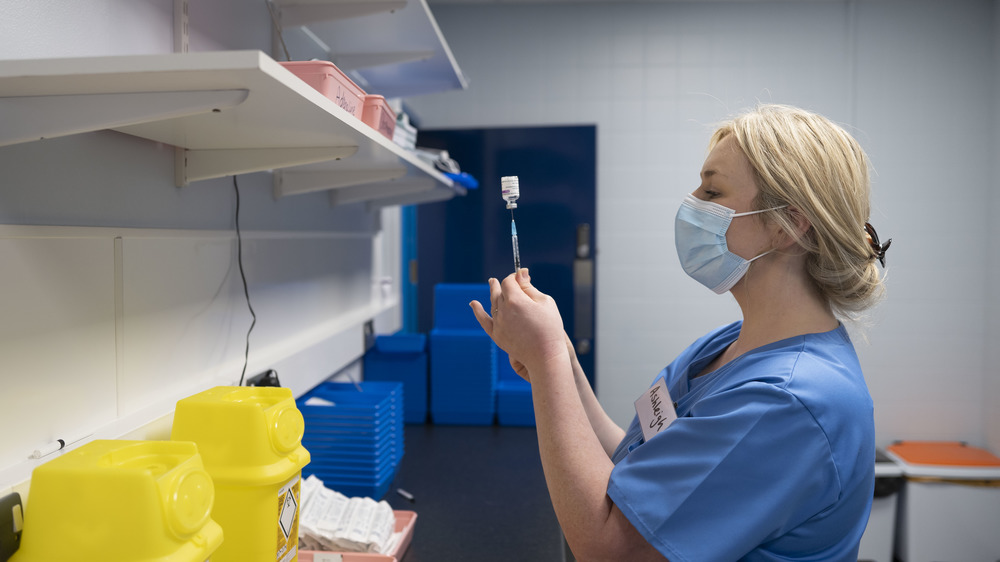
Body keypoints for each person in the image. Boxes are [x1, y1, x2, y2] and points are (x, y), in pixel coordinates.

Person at [470, 104, 890, 562]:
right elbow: (634, 466)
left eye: (712, 190)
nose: (691, 201)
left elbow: (609, 550)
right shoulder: (727, 346)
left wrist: (547, 355)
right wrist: (563, 364)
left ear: (787, 225)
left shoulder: (789, 402)